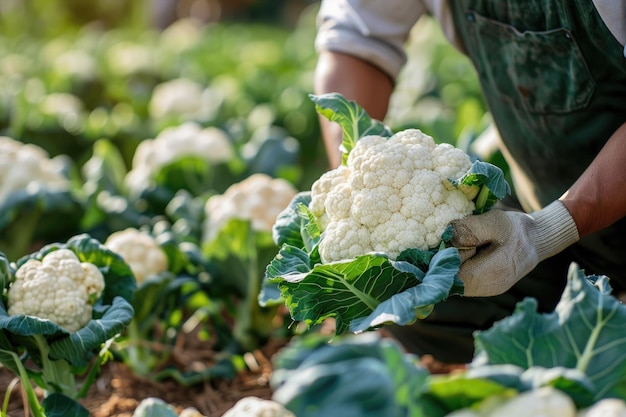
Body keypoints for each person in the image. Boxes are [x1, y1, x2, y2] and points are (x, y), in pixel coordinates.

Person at [313, 0, 626, 365]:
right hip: (557, 235)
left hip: (565, 223)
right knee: (414, 299)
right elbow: (356, 37)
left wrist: (551, 229)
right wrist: (351, 176)